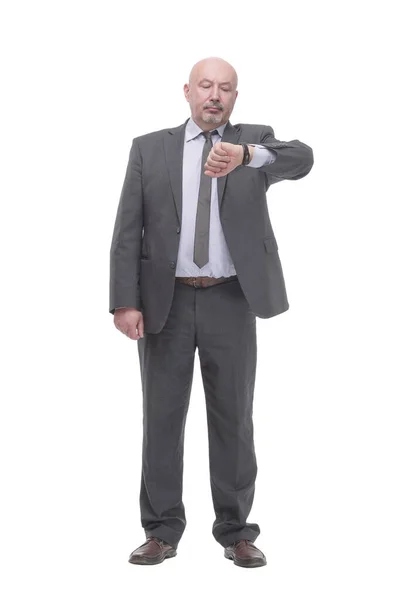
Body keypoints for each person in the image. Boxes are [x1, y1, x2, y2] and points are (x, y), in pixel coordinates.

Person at [109, 56, 314, 568]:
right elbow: (126, 230)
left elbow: (303, 158)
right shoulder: (149, 148)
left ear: (234, 98)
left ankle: (237, 532)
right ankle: (161, 530)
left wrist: (247, 155)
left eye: (225, 88)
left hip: (230, 298)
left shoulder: (254, 142)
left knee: (233, 419)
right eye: (206, 85)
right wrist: (124, 300)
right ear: (187, 91)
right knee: (161, 418)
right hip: (166, 302)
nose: (214, 95)